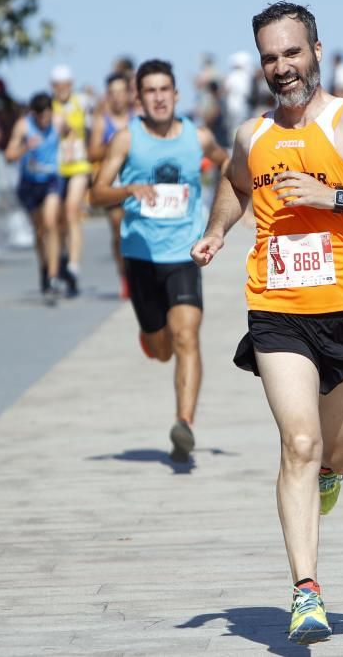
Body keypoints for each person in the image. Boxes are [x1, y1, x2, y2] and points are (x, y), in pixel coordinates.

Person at [191, 1, 343, 645]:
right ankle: (306, 591)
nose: (282, 66)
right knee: (299, 443)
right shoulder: (252, 135)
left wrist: (336, 198)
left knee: (337, 454)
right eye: (271, 57)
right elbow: (238, 185)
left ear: (316, 50)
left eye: (292, 52)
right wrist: (215, 233)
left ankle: (329, 478)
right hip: (277, 308)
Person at [90, 59, 228, 461]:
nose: (159, 97)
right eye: (149, 91)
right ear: (139, 98)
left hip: (184, 252)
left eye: (164, 89)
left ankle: (183, 425)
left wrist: (233, 193)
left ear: (176, 94)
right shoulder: (126, 140)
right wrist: (128, 188)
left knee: (187, 336)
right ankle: (152, 339)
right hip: (140, 255)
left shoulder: (197, 137)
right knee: (164, 347)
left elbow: (226, 163)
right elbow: (95, 194)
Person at [4, 92, 63, 304]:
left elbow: (72, 133)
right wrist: (25, 147)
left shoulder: (58, 122)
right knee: (39, 231)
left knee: (51, 223)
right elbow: (9, 155)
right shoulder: (23, 126)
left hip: (50, 180)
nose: (45, 121)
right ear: (34, 115)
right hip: (29, 184)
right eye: (41, 118)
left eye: (48, 116)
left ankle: (54, 276)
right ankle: (44, 266)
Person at [88, 72, 135, 298]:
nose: (117, 98)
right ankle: (124, 276)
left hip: (137, 182)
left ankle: (139, 274)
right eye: (112, 93)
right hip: (112, 183)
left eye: (120, 92)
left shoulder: (138, 117)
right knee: (117, 232)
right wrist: (117, 146)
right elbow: (92, 151)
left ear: (128, 94)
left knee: (135, 231)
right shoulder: (101, 120)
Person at [51, 64, 92, 297]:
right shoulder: (50, 106)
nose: (62, 89)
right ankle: (62, 257)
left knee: (71, 210)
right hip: (57, 168)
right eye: (57, 85)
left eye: (65, 85)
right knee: (57, 221)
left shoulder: (81, 102)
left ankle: (74, 265)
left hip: (78, 165)